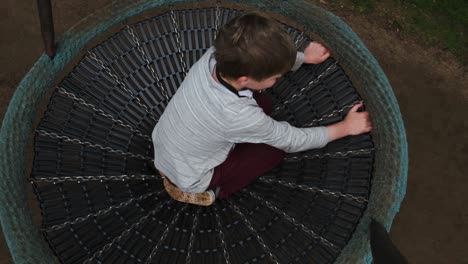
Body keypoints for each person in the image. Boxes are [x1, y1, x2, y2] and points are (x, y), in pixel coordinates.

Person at [152, 12, 372, 206]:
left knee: (264, 104)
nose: (279, 78)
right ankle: (219, 192)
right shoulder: (239, 115)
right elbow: (291, 140)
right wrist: (345, 127)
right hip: (192, 176)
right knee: (273, 150)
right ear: (245, 79)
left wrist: (303, 57)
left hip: (166, 145)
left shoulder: (214, 56)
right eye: (276, 76)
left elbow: (254, 55)